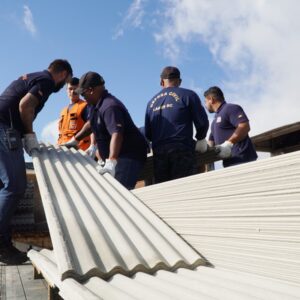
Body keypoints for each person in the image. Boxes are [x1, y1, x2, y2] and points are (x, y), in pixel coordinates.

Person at [0, 59, 73, 264]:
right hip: (4, 128)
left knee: (3, 186)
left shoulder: (32, 76)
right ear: (63, 73)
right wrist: (30, 134)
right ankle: (1, 243)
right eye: (67, 80)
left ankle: (4, 241)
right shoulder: (47, 81)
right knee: (14, 186)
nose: (65, 85)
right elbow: (25, 105)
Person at [62, 71, 147, 190]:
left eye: (83, 93)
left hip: (128, 155)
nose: (82, 96)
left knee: (120, 192)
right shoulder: (93, 104)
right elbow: (91, 124)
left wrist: (111, 161)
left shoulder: (110, 106)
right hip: (116, 156)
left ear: (91, 90)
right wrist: (75, 140)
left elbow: (117, 134)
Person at [144, 66, 209, 183]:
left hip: (159, 154)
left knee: (166, 193)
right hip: (182, 150)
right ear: (179, 81)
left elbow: (148, 134)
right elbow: (202, 123)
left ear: (161, 81)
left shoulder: (150, 103)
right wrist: (200, 138)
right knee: (184, 190)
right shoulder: (188, 95)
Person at [204, 86, 258, 167]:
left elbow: (245, 126)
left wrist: (228, 143)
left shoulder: (231, 108)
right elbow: (211, 143)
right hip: (229, 163)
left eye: (205, 101)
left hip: (243, 159)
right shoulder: (214, 121)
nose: (205, 105)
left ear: (211, 99)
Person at [57, 77, 92, 151]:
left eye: (76, 89)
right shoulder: (63, 111)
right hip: (63, 149)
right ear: (66, 90)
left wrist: (93, 145)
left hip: (80, 151)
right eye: (70, 89)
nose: (73, 91)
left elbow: (93, 126)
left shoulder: (86, 106)